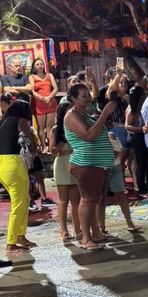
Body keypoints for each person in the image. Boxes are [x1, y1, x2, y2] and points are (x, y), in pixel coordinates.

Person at [63, 82, 118, 250]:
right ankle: (85, 238)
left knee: (93, 200)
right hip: (86, 163)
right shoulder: (72, 115)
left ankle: (96, 233)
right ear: (73, 99)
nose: (88, 98)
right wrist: (104, 114)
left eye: (88, 95)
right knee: (87, 200)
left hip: (96, 164)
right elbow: (89, 135)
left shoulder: (84, 112)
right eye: (84, 96)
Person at [0, 99, 37, 257]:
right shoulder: (21, 121)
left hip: (2, 164)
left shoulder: (3, 121)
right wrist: (34, 141)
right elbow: (32, 141)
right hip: (14, 163)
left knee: (23, 200)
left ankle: (20, 236)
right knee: (19, 204)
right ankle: (11, 243)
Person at [50, 100, 80, 242]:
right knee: (63, 200)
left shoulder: (75, 126)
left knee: (76, 200)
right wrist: (60, 144)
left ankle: (78, 228)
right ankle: (63, 230)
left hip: (75, 161)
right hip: (62, 162)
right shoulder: (56, 129)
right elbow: (52, 151)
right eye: (69, 108)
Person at [125, 84, 148, 196]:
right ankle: (141, 189)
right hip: (136, 137)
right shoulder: (132, 109)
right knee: (140, 162)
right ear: (140, 96)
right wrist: (141, 128)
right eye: (144, 94)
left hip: (144, 136)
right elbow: (127, 126)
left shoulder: (143, 105)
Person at [28, 58, 58, 151]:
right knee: (41, 127)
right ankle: (43, 146)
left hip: (50, 102)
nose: (40, 66)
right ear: (34, 67)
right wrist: (42, 98)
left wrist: (49, 97)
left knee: (50, 127)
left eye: (41, 64)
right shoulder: (32, 77)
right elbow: (32, 91)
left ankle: (50, 146)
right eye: (37, 64)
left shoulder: (49, 75)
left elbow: (55, 88)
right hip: (39, 103)